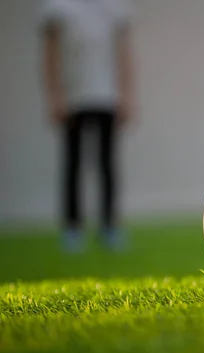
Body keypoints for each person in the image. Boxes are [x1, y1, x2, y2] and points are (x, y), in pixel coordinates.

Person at [39, 0, 135, 252]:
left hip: (107, 96)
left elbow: (122, 52)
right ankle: (72, 228)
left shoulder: (114, 6)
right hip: (73, 97)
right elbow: (50, 53)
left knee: (107, 165)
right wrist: (54, 96)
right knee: (72, 165)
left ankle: (109, 226)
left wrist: (126, 94)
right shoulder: (57, 7)